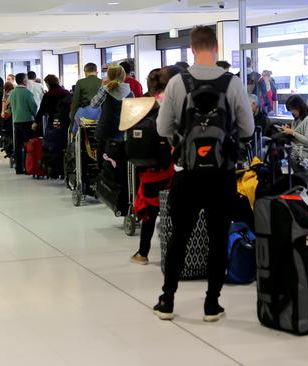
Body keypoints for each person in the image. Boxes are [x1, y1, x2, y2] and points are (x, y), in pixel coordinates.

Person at [153, 26, 254, 322]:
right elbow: (247, 130)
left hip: (187, 174)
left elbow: (162, 128)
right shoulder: (232, 83)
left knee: (179, 237)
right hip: (222, 175)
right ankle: (212, 304)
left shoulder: (176, 83)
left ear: (193, 49)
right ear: (217, 47)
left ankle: (168, 301)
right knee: (217, 237)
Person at [129, 66, 180, 265]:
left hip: (149, 168)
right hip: (172, 165)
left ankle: (142, 253)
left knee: (149, 210)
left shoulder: (143, 105)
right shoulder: (175, 103)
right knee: (175, 210)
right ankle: (176, 252)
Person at [90, 64, 133, 169]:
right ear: (123, 76)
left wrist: (102, 87)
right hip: (122, 132)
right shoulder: (130, 92)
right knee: (120, 162)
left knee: (103, 163)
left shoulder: (105, 90)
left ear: (108, 76)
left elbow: (93, 104)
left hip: (105, 130)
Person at [9, 73, 38, 174]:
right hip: (27, 121)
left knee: (18, 145)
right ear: (24, 81)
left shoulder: (12, 93)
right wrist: (36, 118)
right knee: (27, 145)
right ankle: (27, 167)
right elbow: (34, 107)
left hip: (16, 121)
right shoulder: (27, 93)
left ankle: (19, 168)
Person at [280, 95, 308, 164]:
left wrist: (293, 132)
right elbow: (295, 137)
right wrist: (288, 131)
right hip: (292, 150)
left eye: (292, 110)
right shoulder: (295, 120)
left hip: (302, 153)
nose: (292, 112)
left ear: (299, 107)